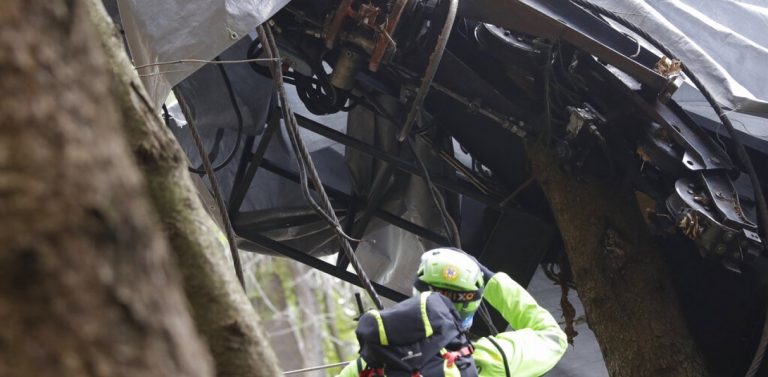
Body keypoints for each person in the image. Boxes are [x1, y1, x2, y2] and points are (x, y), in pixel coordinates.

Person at [337, 247, 567, 377]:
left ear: (418, 291)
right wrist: (491, 281)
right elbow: (552, 337)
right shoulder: (488, 359)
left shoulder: (372, 363)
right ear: (472, 302)